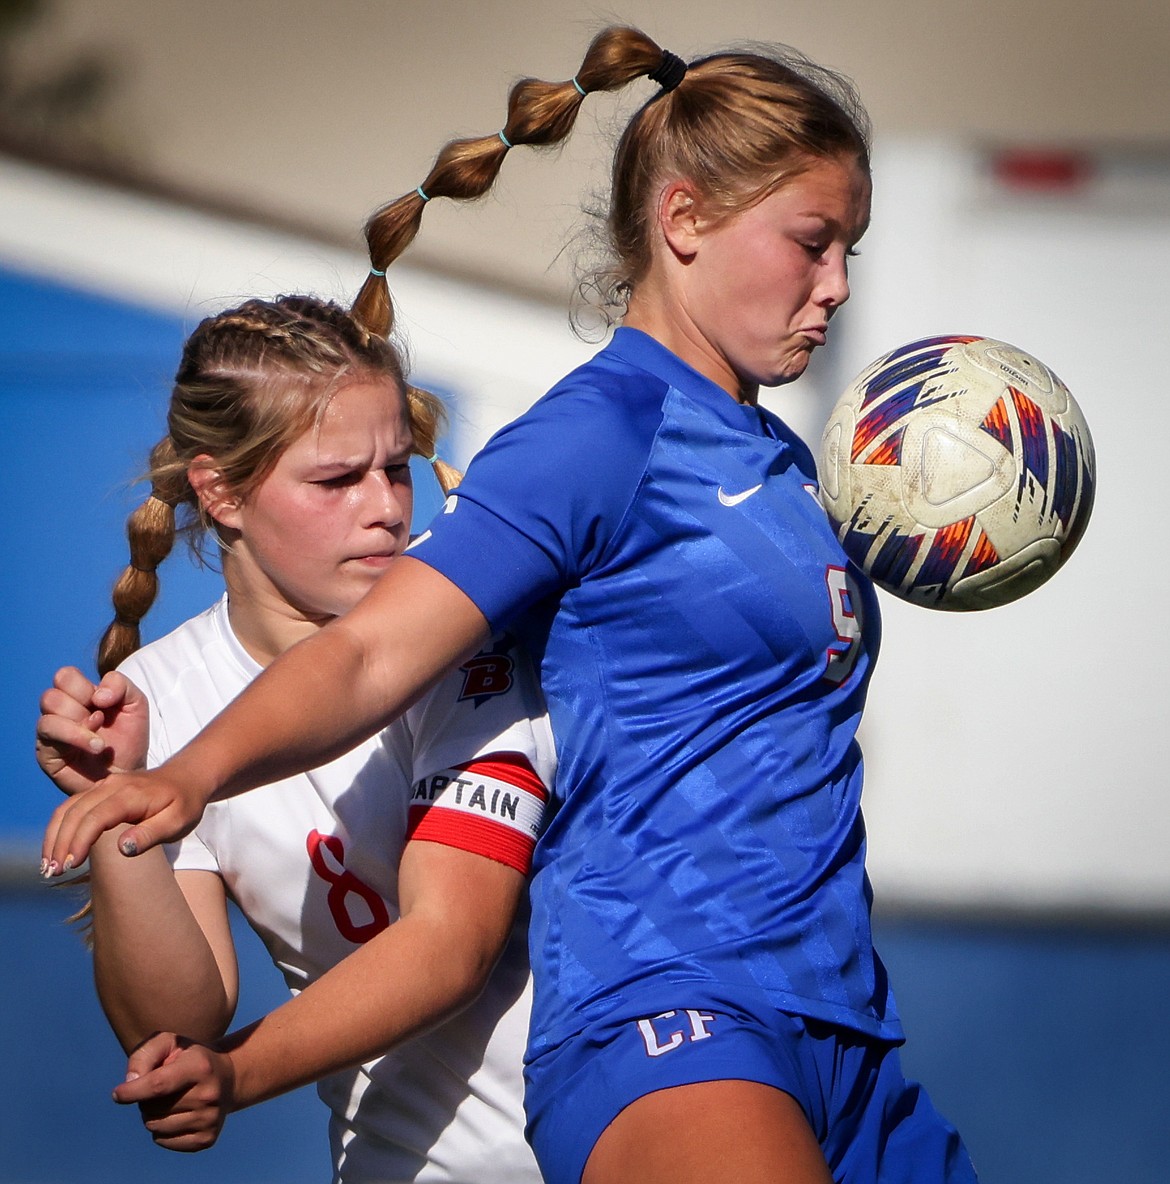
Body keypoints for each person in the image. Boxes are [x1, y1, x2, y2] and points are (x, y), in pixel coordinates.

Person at [42, 25, 980, 1184]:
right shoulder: (600, 430)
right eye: (812, 242)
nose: (837, 283)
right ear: (682, 221)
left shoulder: (781, 463)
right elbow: (373, 669)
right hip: (674, 1012)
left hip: (841, 1025)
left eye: (851, 248)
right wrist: (175, 787)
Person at [35, 293, 555, 1183]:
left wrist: (239, 1074)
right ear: (220, 492)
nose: (385, 507)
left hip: (606, 1145)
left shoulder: (468, 617)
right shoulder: (158, 699)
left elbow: (450, 944)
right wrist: (115, 807)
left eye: (395, 469)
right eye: (336, 479)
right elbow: (178, 1029)